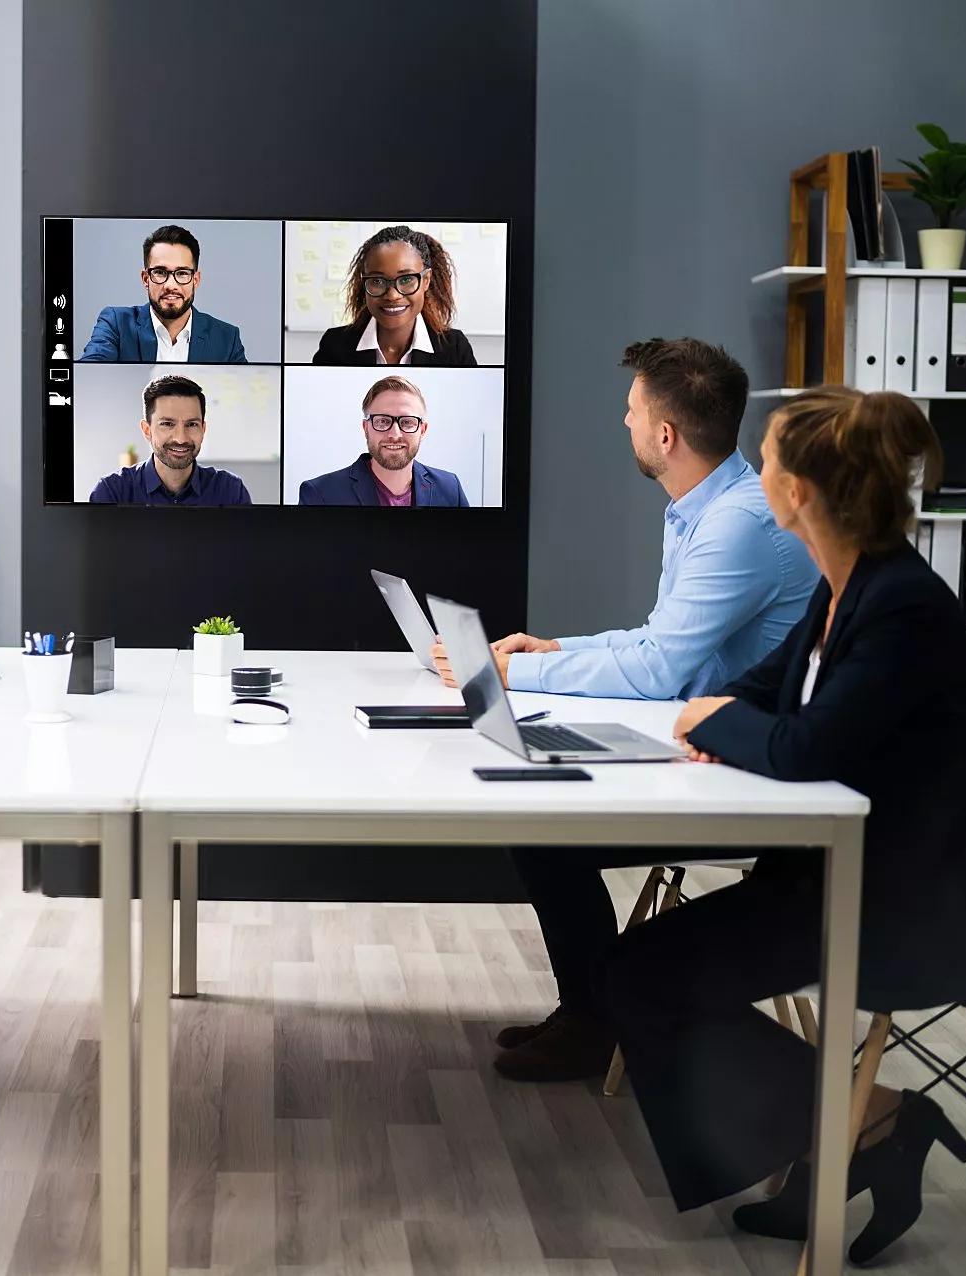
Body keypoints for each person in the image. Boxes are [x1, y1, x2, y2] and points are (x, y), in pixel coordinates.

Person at [605, 386, 966, 1262]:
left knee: (646, 975)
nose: (753, 471)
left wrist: (708, 722)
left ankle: (863, 1126)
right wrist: (720, 715)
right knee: (640, 970)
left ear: (796, 493)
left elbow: (805, 747)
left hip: (923, 903)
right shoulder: (846, 588)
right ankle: (855, 1129)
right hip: (847, 874)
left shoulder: (903, 605)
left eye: (763, 459)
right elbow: (771, 692)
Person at [436, 338, 818, 1082]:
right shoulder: (703, 508)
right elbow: (658, 642)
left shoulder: (737, 524)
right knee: (539, 825)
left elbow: (658, 668)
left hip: (741, 769)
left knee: (547, 833)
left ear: (666, 436)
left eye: (634, 410)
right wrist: (548, 652)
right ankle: (589, 1012)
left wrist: (511, 671)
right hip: (705, 743)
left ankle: (593, 1020)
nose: (625, 420)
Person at [311, 225, 478, 367]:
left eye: (406, 279)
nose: (392, 295)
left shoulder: (454, 348)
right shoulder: (334, 346)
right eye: (377, 280)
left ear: (426, 280)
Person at [80, 224, 248, 363]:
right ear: (146, 279)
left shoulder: (227, 339)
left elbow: (245, 399)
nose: (170, 285)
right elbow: (89, 375)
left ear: (195, 280)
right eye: (160, 272)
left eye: (182, 273)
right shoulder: (116, 324)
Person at [296, 374, 470, 506]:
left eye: (407, 422)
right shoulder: (320, 494)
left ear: (422, 430)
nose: (394, 434)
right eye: (383, 421)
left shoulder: (450, 488)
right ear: (366, 428)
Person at [89, 374, 252, 506]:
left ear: (203, 429)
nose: (181, 438)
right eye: (167, 424)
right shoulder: (112, 492)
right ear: (147, 430)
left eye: (192, 424)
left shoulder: (230, 491)